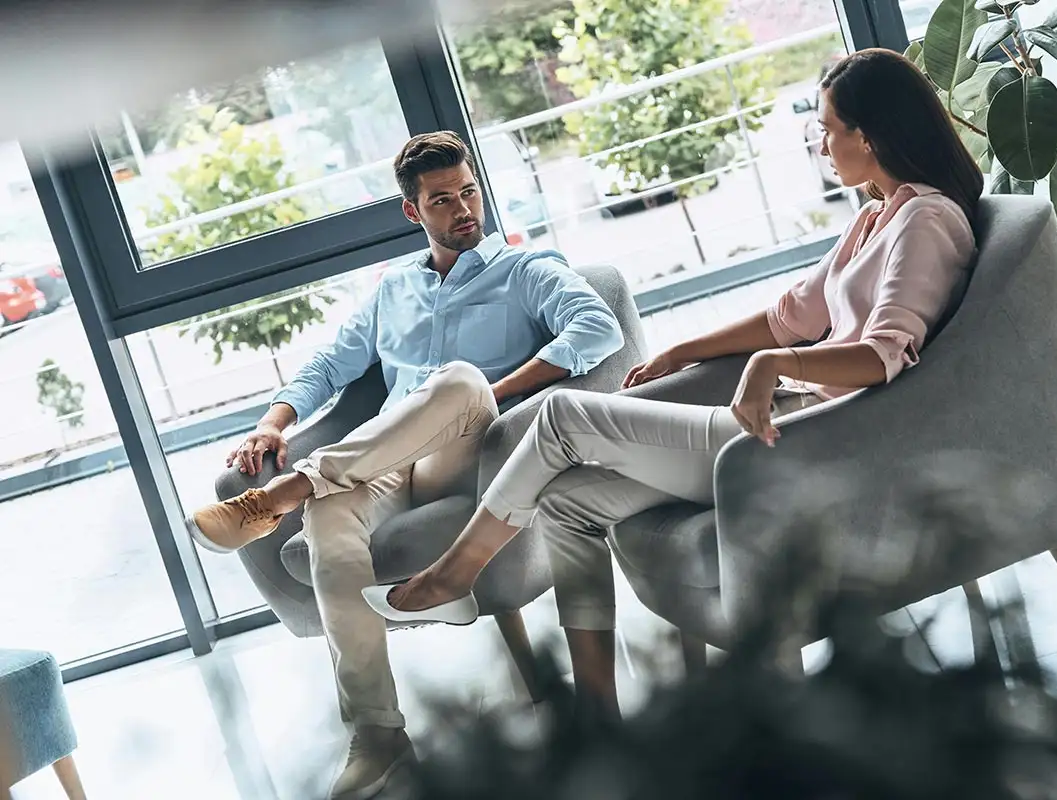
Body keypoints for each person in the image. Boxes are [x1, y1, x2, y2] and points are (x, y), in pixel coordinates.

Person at [364, 48, 983, 721]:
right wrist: (684, 348)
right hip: (778, 427)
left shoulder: (926, 220)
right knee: (568, 501)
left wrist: (772, 366)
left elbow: (884, 355)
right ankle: (599, 719)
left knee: (562, 418)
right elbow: (791, 315)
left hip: (809, 440)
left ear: (869, 135)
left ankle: (456, 574)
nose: (821, 141)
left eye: (828, 127)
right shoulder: (878, 216)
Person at [184, 131, 624, 800]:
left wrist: (494, 393)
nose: (463, 209)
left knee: (458, 382)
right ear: (414, 213)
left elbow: (598, 330)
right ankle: (380, 735)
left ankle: (287, 490)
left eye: (469, 192)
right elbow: (331, 364)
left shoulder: (525, 269)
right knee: (330, 518)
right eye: (443, 200)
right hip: (384, 462)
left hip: (476, 449)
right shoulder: (393, 288)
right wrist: (273, 421)